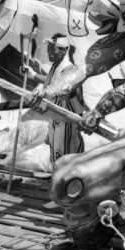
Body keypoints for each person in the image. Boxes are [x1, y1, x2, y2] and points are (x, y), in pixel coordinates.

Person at [23, 33, 88, 166]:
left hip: (67, 122)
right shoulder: (56, 67)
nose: (49, 52)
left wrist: (44, 93)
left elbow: (63, 90)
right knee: (57, 159)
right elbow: (51, 82)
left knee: (67, 161)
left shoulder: (71, 70)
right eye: (48, 49)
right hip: (56, 120)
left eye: (53, 49)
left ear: (64, 50)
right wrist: (33, 75)